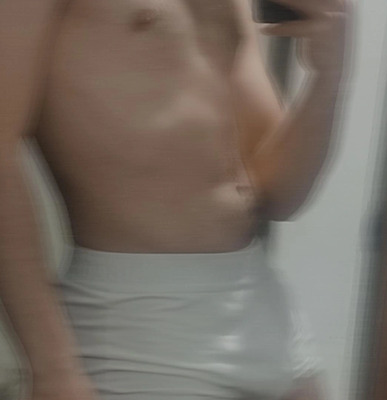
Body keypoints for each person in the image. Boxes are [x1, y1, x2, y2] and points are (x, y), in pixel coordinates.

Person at [0, 0, 352, 399]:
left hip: (263, 303)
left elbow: (281, 196)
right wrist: (52, 368)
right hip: (137, 322)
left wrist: (329, 76)